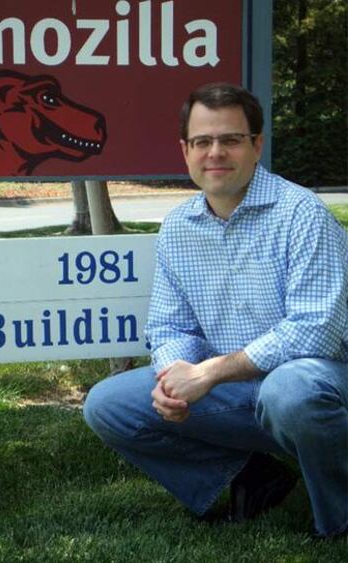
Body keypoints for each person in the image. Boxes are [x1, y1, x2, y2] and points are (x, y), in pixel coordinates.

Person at [83, 83, 348, 539]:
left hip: (321, 385)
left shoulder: (301, 213)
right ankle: (254, 477)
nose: (215, 153)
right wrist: (174, 378)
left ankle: (338, 517)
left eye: (231, 139)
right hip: (238, 392)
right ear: (185, 151)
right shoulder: (178, 228)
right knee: (108, 404)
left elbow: (315, 331)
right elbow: (170, 325)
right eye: (202, 141)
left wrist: (207, 375)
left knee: (290, 390)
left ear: (257, 145)